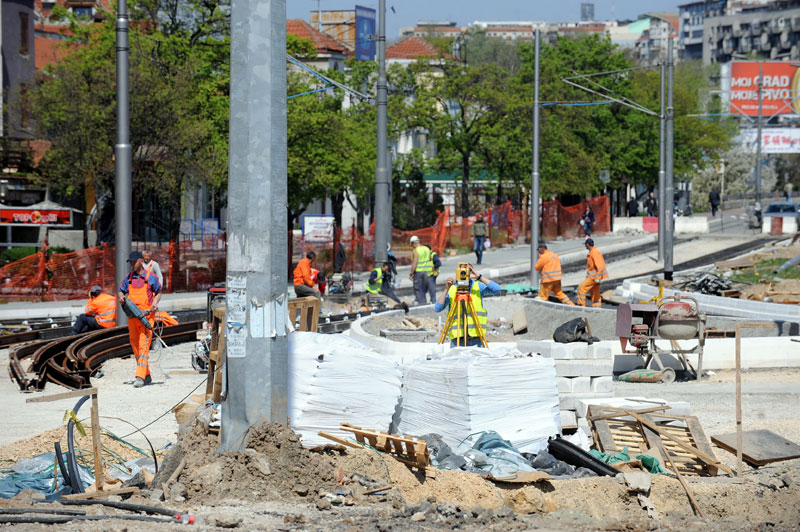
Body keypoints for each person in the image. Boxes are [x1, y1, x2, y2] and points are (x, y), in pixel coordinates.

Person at [118, 251, 161, 388]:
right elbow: (121, 290)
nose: (131, 264)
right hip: (132, 318)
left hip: (146, 318)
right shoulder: (128, 278)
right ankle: (146, 374)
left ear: (141, 261)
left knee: (143, 346)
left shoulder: (151, 277)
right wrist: (121, 296)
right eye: (130, 262)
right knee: (135, 345)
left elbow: (158, 293)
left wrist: (155, 303)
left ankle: (140, 377)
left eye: (133, 262)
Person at [435, 264, 500, 347]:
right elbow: (437, 308)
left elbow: (497, 289)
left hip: (476, 337)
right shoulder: (452, 289)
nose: (464, 273)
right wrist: (446, 289)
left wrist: (478, 277)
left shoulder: (477, 286)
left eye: (467, 271)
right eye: (461, 271)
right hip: (458, 338)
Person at [576, 239, 608, 308]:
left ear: (587, 244)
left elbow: (600, 267)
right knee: (595, 294)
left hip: (593, 278)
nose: (585, 246)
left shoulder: (594, 252)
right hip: (595, 277)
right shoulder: (593, 252)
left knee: (581, 288)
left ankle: (581, 306)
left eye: (585, 244)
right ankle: (597, 309)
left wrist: (597, 278)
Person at [409, 236, 434, 304]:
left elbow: (415, 262)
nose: (411, 246)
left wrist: (412, 272)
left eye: (411, 244)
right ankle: (426, 301)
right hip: (427, 272)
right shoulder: (426, 248)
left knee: (418, 288)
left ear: (413, 243)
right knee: (425, 287)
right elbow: (430, 259)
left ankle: (422, 302)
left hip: (419, 272)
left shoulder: (416, 250)